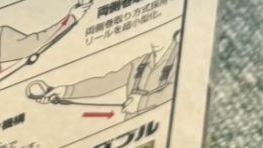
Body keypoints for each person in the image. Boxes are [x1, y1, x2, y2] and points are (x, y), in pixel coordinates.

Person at [27, 30, 181, 116]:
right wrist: (66, 91)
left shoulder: (180, 57)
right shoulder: (141, 62)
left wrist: (142, 102)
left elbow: (178, 89)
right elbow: (106, 83)